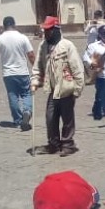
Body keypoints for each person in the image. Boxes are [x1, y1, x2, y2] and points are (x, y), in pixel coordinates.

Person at [31, 17, 85, 156]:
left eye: (48, 31)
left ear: (56, 30)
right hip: (53, 90)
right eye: (45, 31)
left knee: (67, 118)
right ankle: (53, 144)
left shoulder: (67, 45)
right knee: (50, 118)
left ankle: (68, 144)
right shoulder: (43, 46)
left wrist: (78, 89)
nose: (46, 34)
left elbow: (77, 68)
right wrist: (35, 80)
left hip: (67, 88)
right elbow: (38, 66)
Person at [0, 16, 35, 131]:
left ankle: (18, 120)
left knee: (13, 96)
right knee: (26, 93)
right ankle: (27, 111)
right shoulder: (22, 37)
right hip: (22, 72)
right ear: (14, 25)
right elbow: (31, 54)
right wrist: (35, 67)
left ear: (4, 26)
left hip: (8, 73)